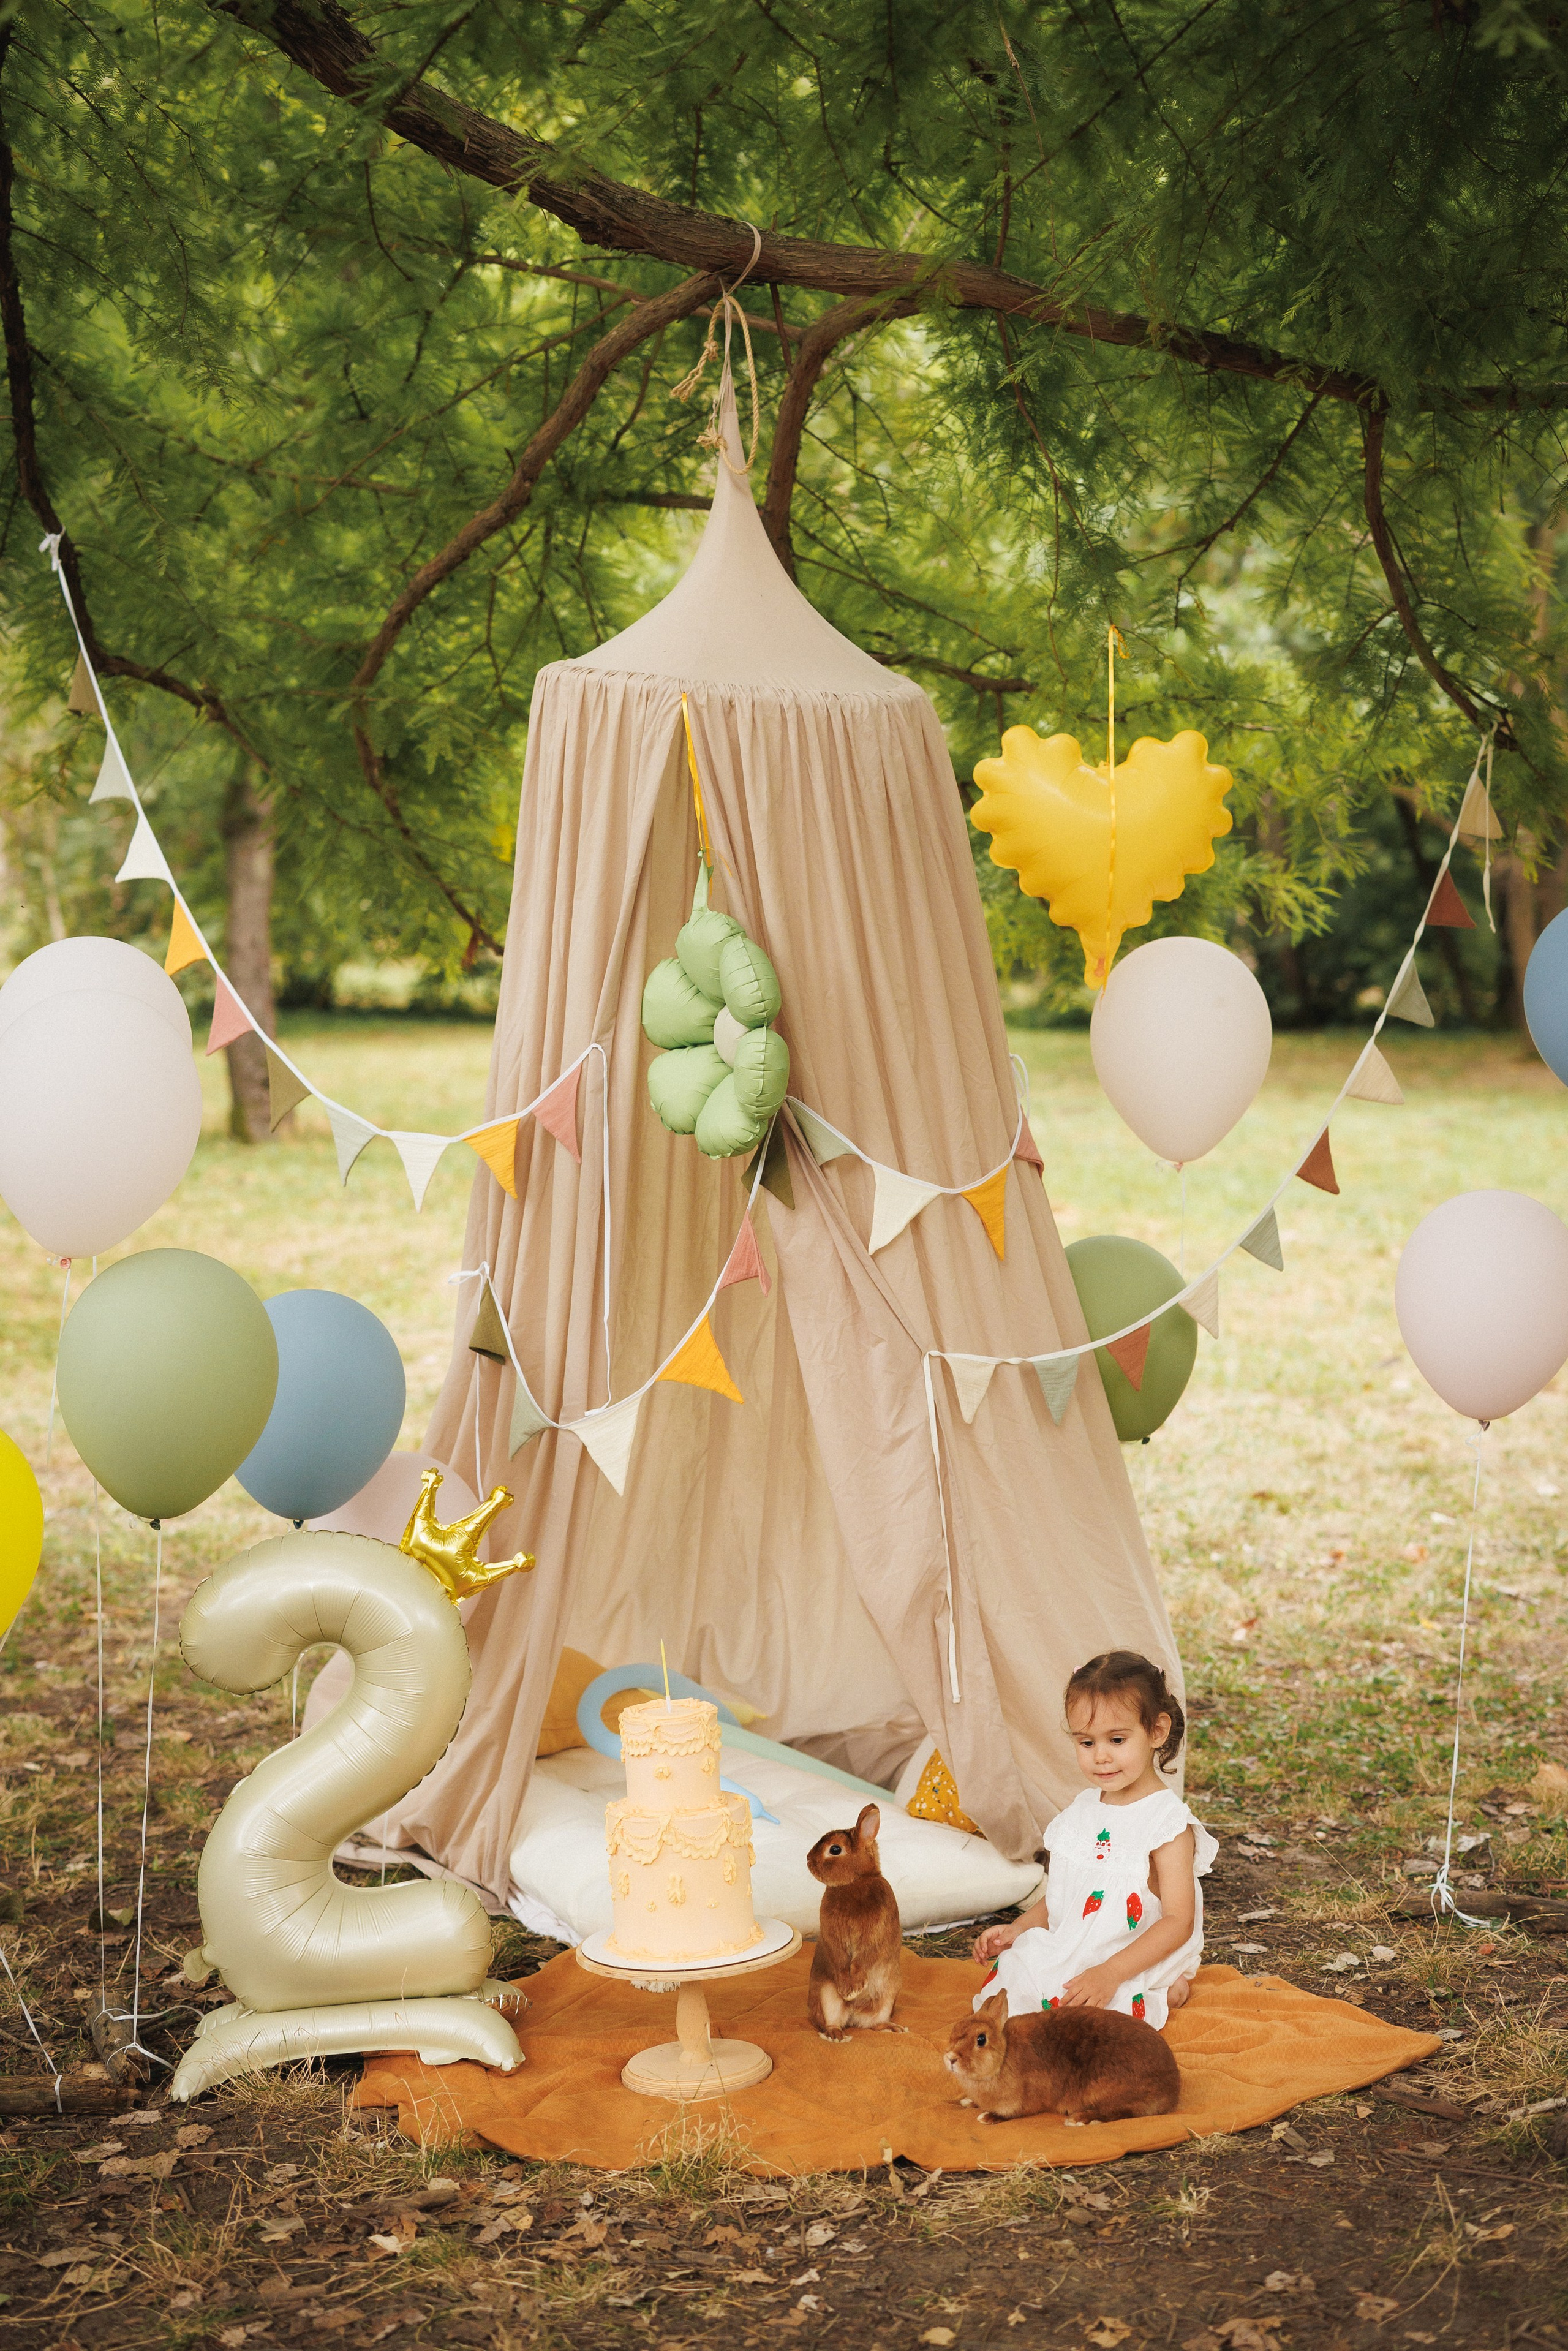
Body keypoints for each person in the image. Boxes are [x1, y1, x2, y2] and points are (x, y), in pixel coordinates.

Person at [972, 1650, 1215, 2029]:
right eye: (1086, 1743)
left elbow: (1178, 1920)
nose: (1101, 1757)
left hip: (1128, 1954)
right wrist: (1018, 1930)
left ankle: (1165, 1982)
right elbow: (1063, 1899)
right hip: (1076, 1945)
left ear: (1156, 1732)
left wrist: (1112, 1972)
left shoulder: (1166, 1824)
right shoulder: (1082, 1811)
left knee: (1091, 2018)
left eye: (1117, 1739)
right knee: (1021, 1971)